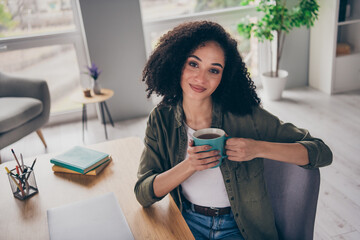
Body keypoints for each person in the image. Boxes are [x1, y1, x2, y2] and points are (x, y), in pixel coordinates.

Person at [134, 21, 332, 240]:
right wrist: (189, 166)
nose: (201, 78)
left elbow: (321, 152)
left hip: (239, 228)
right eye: (193, 64)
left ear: (224, 77)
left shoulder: (247, 116)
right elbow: (143, 192)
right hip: (188, 221)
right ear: (177, 62)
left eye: (214, 70)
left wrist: (257, 148)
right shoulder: (161, 120)